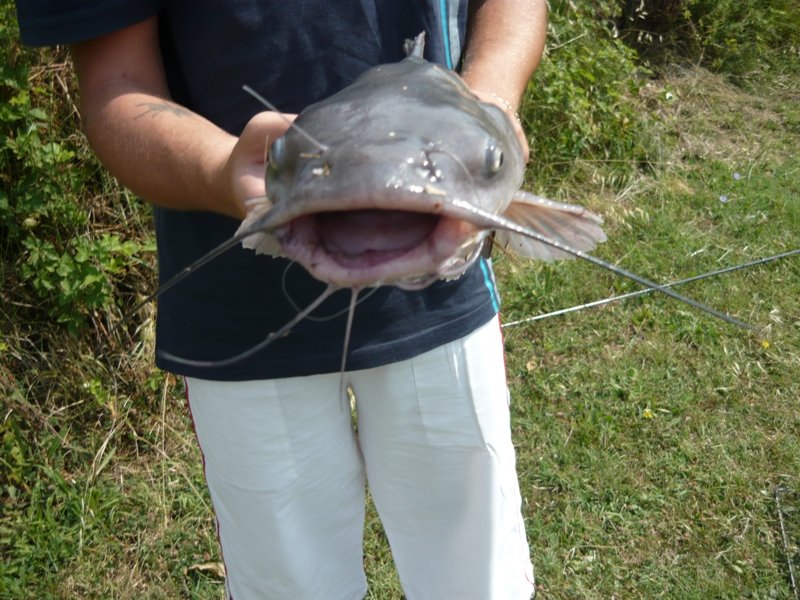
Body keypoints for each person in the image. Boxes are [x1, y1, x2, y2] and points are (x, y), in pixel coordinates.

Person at [16, 1, 547, 598]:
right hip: (238, 318)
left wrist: (491, 106)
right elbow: (116, 84)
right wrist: (222, 170)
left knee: (479, 582)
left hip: (443, 294)